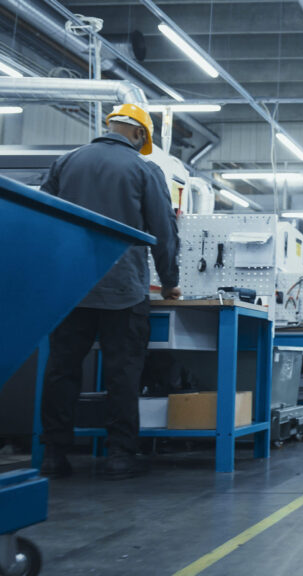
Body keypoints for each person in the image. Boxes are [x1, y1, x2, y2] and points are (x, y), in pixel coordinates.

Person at [39, 103, 181, 480]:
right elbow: (163, 233)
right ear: (138, 134)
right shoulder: (143, 169)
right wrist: (169, 281)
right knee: (123, 373)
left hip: (71, 287)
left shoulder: (66, 162)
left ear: (111, 126)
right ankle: (120, 455)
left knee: (62, 370)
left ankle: (54, 455)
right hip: (124, 289)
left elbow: (44, 219)